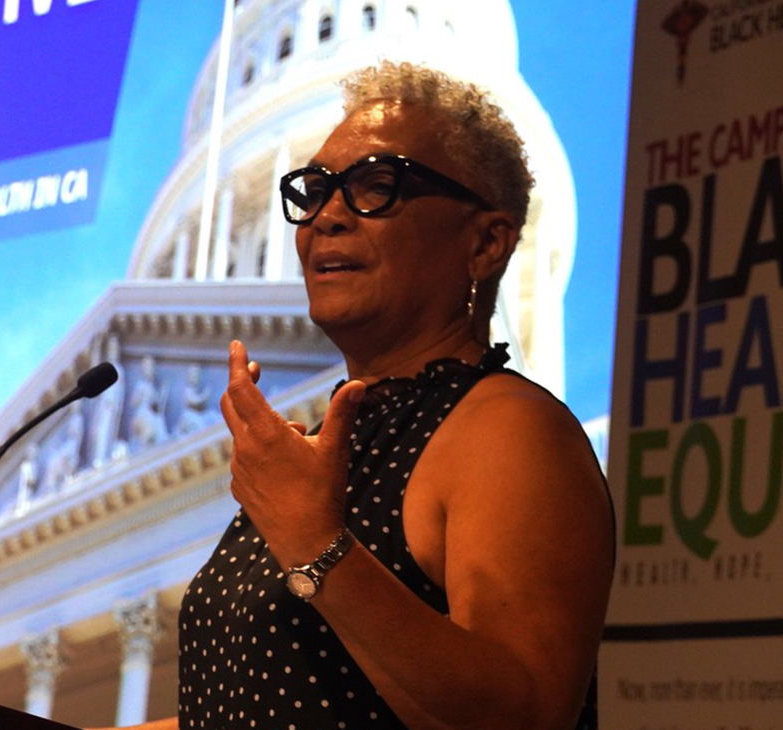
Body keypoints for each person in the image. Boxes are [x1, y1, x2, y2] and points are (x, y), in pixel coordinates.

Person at [101, 61, 614, 730]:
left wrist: (315, 542)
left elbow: (525, 713)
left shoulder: (508, 428)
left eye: (377, 186)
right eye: (314, 191)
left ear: (487, 242)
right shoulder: (332, 451)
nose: (328, 217)